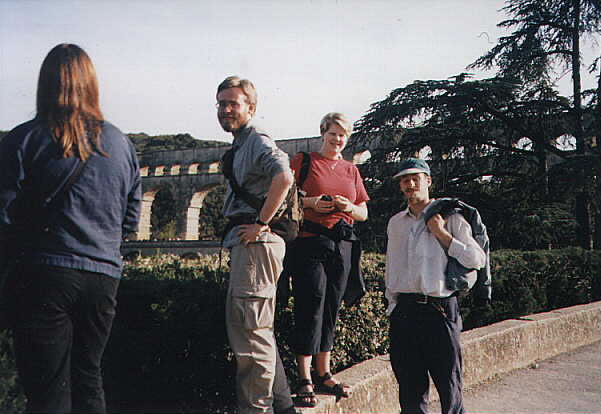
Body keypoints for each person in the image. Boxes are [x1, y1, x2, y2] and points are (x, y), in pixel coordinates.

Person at [0, 44, 141, 413]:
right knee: (88, 379)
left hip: (45, 274)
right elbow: (131, 216)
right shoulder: (120, 143)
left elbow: (4, 214)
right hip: (103, 278)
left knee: (47, 390)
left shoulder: (23, 139)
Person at [217, 76, 297, 414]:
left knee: (252, 337)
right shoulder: (241, 143)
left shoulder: (256, 140)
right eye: (221, 104)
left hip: (256, 245)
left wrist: (262, 222)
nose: (226, 110)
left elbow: (284, 176)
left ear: (251, 107)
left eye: (233, 103)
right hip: (249, 246)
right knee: (251, 333)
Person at [385, 158, 486, 414]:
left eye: (415, 178)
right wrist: (392, 306)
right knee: (409, 388)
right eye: (404, 180)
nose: (409, 184)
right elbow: (392, 266)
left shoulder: (450, 217)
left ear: (428, 181)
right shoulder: (396, 223)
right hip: (405, 312)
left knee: (449, 386)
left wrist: (442, 233)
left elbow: (476, 259)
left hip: (439, 310)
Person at [288, 112, 369, 407]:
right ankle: (304, 378)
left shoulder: (351, 170)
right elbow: (285, 197)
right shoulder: (304, 161)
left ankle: (324, 373)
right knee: (311, 303)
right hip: (310, 241)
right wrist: (312, 203)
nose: (338, 139)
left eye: (343, 135)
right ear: (323, 133)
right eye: (333, 133)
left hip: (342, 243)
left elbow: (363, 212)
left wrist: (349, 206)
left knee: (332, 305)